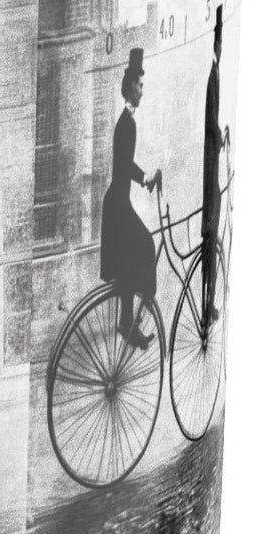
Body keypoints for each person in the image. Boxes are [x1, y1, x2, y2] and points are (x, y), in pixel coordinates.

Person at [100, 46, 161, 348]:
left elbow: (124, 165)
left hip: (117, 202)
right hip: (118, 204)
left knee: (127, 263)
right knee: (146, 244)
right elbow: (124, 165)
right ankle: (144, 301)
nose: (142, 92)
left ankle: (128, 322)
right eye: (140, 86)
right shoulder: (127, 123)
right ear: (130, 88)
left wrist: (143, 178)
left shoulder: (127, 121)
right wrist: (145, 177)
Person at [201, 5, 231, 327]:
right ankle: (206, 303)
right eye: (220, 44)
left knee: (217, 210)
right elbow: (210, 118)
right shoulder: (213, 75)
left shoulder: (218, 72)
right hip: (210, 160)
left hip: (214, 158)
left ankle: (209, 303)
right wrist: (218, 135)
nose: (221, 49)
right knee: (212, 216)